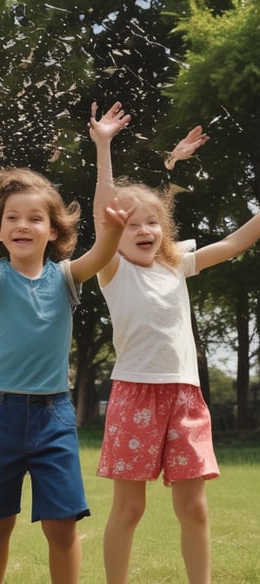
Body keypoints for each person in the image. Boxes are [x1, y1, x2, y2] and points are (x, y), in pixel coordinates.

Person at [90, 101, 260, 584]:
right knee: (129, 509)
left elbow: (231, 245)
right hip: (134, 394)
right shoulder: (113, 269)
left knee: (195, 508)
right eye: (131, 224)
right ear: (113, 234)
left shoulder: (174, 266)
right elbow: (107, 212)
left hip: (185, 396)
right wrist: (104, 146)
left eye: (152, 222)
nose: (143, 230)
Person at [0, 159, 130, 583]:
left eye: (34, 218)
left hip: (54, 417)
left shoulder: (66, 276)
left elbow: (99, 255)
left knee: (62, 524)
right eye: (12, 218)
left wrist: (114, 232)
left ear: (54, 231)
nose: (22, 225)